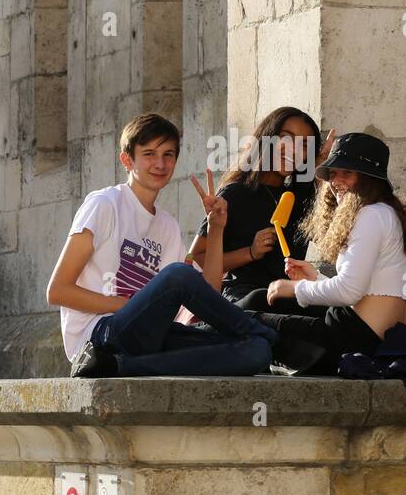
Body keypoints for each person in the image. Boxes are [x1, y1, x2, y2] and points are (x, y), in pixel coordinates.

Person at [45, 113, 277, 378]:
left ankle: (117, 367)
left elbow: (208, 293)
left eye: (168, 154)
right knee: (179, 274)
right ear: (127, 160)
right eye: (149, 154)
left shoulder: (167, 226)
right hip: (99, 333)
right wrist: (129, 306)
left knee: (257, 351)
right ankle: (267, 331)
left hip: (145, 337)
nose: (160, 163)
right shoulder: (104, 204)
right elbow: (57, 291)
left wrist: (215, 229)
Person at [256, 132, 406, 373]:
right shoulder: (388, 214)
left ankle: (191, 336)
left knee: (253, 318)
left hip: (353, 340)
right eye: (333, 173)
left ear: (368, 178)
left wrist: (293, 288)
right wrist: (315, 278)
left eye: (347, 173)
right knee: (255, 304)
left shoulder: (371, 215)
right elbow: (366, 293)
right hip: (375, 341)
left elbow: (349, 292)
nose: (336, 181)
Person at [187, 107, 330, 305]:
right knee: (258, 300)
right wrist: (250, 252)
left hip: (289, 297)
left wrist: (322, 174)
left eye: (304, 145)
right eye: (286, 138)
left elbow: (334, 241)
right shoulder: (236, 193)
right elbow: (197, 257)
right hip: (244, 298)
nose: (294, 150)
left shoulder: (303, 200)